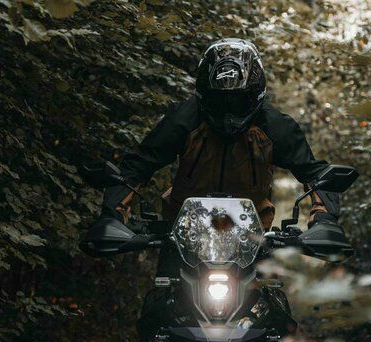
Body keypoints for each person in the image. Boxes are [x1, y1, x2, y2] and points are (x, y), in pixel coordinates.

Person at [90, 38, 340, 277]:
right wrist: (113, 215)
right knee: (161, 298)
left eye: (237, 100)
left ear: (254, 94)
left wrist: (323, 221)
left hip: (253, 235)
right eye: (220, 101)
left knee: (271, 300)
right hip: (183, 232)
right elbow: (138, 165)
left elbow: (315, 173)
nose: (228, 111)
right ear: (205, 94)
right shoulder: (184, 120)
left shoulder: (274, 126)